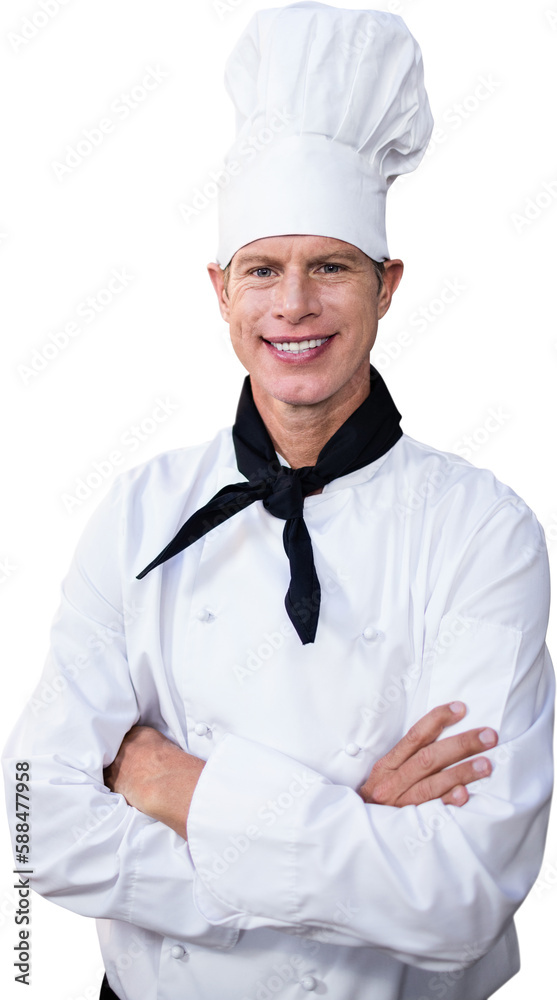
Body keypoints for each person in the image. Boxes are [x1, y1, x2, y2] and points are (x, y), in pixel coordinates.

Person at [3, 4, 553, 1000]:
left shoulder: (482, 531)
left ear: (386, 285)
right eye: (262, 269)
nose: (292, 304)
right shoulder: (137, 511)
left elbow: (460, 891)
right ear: (220, 291)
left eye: (329, 267)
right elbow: (33, 819)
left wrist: (178, 789)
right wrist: (349, 827)